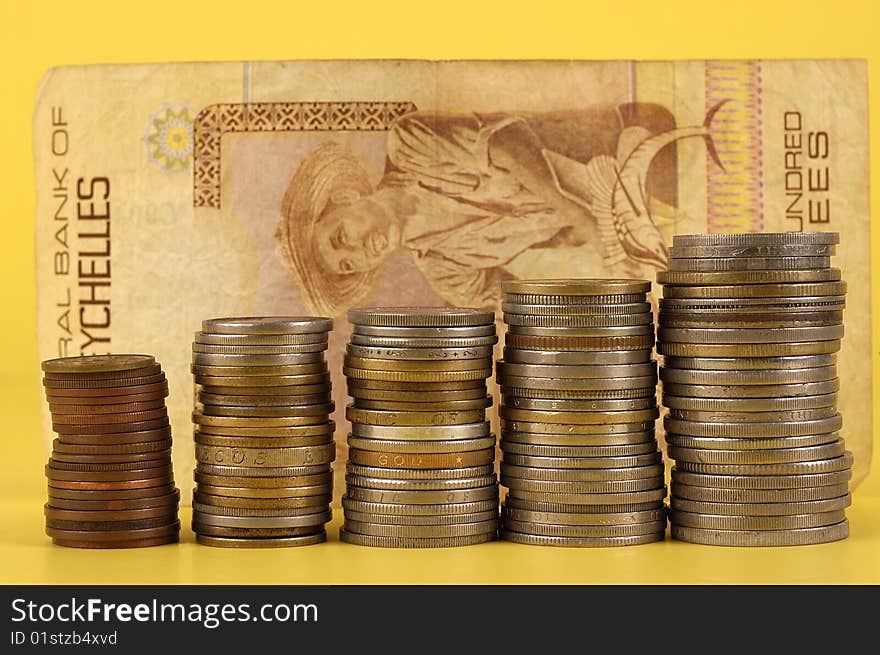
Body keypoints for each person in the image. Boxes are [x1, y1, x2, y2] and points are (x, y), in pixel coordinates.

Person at [277, 110, 695, 316]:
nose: (361, 252)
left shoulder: (409, 145)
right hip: (633, 237)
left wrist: (573, 214)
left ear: (344, 198)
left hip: (622, 144)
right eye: (349, 264)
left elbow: (509, 144)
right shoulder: (447, 274)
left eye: (341, 237)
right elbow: (519, 300)